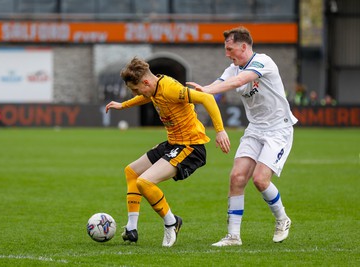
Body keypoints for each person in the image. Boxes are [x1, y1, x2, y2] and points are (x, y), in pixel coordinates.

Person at [187, 26, 298, 246]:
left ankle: (282, 219)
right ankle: (233, 236)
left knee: (259, 179)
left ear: (243, 46)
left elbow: (238, 82)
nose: (227, 54)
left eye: (229, 49)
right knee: (237, 178)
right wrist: (199, 91)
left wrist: (207, 91)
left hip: (278, 129)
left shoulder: (263, 62)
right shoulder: (233, 68)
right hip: (255, 129)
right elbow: (218, 83)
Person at [105, 57, 231, 247]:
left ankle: (172, 222)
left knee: (144, 182)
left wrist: (220, 130)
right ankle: (132, 228)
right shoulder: (153, 87)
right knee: (131, 171)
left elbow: (206, 97)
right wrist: (123, 105)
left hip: (190, 147)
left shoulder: (170, 88)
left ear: (146, 82)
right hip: (173, 144)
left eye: (136, 89)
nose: (136, 93)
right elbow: (146, 96)